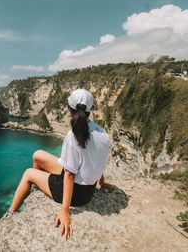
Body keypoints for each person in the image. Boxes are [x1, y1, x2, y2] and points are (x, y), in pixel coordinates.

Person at [8, 89, 112, 240]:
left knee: (28, 173)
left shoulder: (73, 136)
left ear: (69, 108)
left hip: (77, 194)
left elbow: (69, 176)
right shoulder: (103, 133)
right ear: (90, 109)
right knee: (37, 155)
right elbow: (98, 159)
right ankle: (37, 189)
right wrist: (102, 183)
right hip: (87, 186)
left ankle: (11, 214)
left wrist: (65, 210)